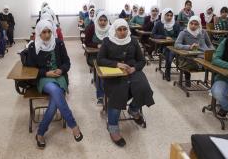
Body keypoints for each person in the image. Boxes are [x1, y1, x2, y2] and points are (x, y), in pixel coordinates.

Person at [23, 20, 83, 148]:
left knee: (55, 102)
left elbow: (67, 62)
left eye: (49, 31)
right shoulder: (33, 46)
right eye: (43, 32)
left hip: (60, 76)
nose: (47, 35)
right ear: (38, 33)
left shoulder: (59, 43)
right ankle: (73, 125)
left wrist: (61, 69)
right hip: (44, 78)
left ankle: (40, 133)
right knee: (56, 92)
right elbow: (31, 69)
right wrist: (46, 73)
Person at [97, 19, 154, 147]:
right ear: (115, 30)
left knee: (144, 88)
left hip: (132, 71)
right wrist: (116, 64)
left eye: (125, 29)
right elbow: (100, 60)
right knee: (118, 93)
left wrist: (134, 68)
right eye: (119, 29)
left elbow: (142, 61)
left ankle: (133, 110)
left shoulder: (133, 40)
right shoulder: (107, 41)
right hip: (114, 74)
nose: (122, 32)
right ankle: (113, 127)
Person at [174, 16, 214, 86]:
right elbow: (177, 45)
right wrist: (189, 47)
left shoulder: (203, 32)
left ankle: (213, 85)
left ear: (199, 25)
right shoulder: (183, 33)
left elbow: (210, 45)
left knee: (215, 65)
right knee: (190, 62)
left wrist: (212, 51)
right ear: (188, 23)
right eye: (191, 23)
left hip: (204, 55)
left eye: (196, 24)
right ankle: (187, 77)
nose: (193, 26)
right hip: (190, 56)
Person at [84, 10, 110, 104]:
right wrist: (97, 46)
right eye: (101, 20)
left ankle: (111, 92)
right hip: (94, 55)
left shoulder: (111, 29)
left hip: (108, 56)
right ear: (97, 20)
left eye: (105, 20)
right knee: (100, 69)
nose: (103, 22)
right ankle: (100, 96)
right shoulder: (92, 27)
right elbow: (86, 42)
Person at [152, 8, 181, 81]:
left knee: (173, 52)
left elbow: (179, 36)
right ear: (163, 15)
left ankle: (184, 73)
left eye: (171, 15)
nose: (169, 17)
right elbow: (153, 34)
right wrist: (164, 37)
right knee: (170, 53)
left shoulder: (176, 24)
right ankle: (168, 71)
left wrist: (173, 39)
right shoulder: (159, 23)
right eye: (167, 15)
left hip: (175, 45)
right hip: (163, 46)